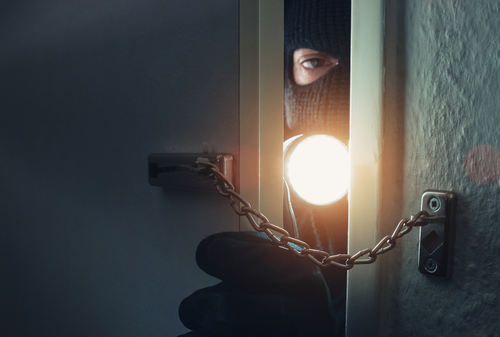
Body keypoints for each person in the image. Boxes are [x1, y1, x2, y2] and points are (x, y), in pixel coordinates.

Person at [178, 0, 351, 336]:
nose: (342, 82)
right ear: (286, 77)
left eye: (358, 62)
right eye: (314, 61)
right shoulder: (278, 196)